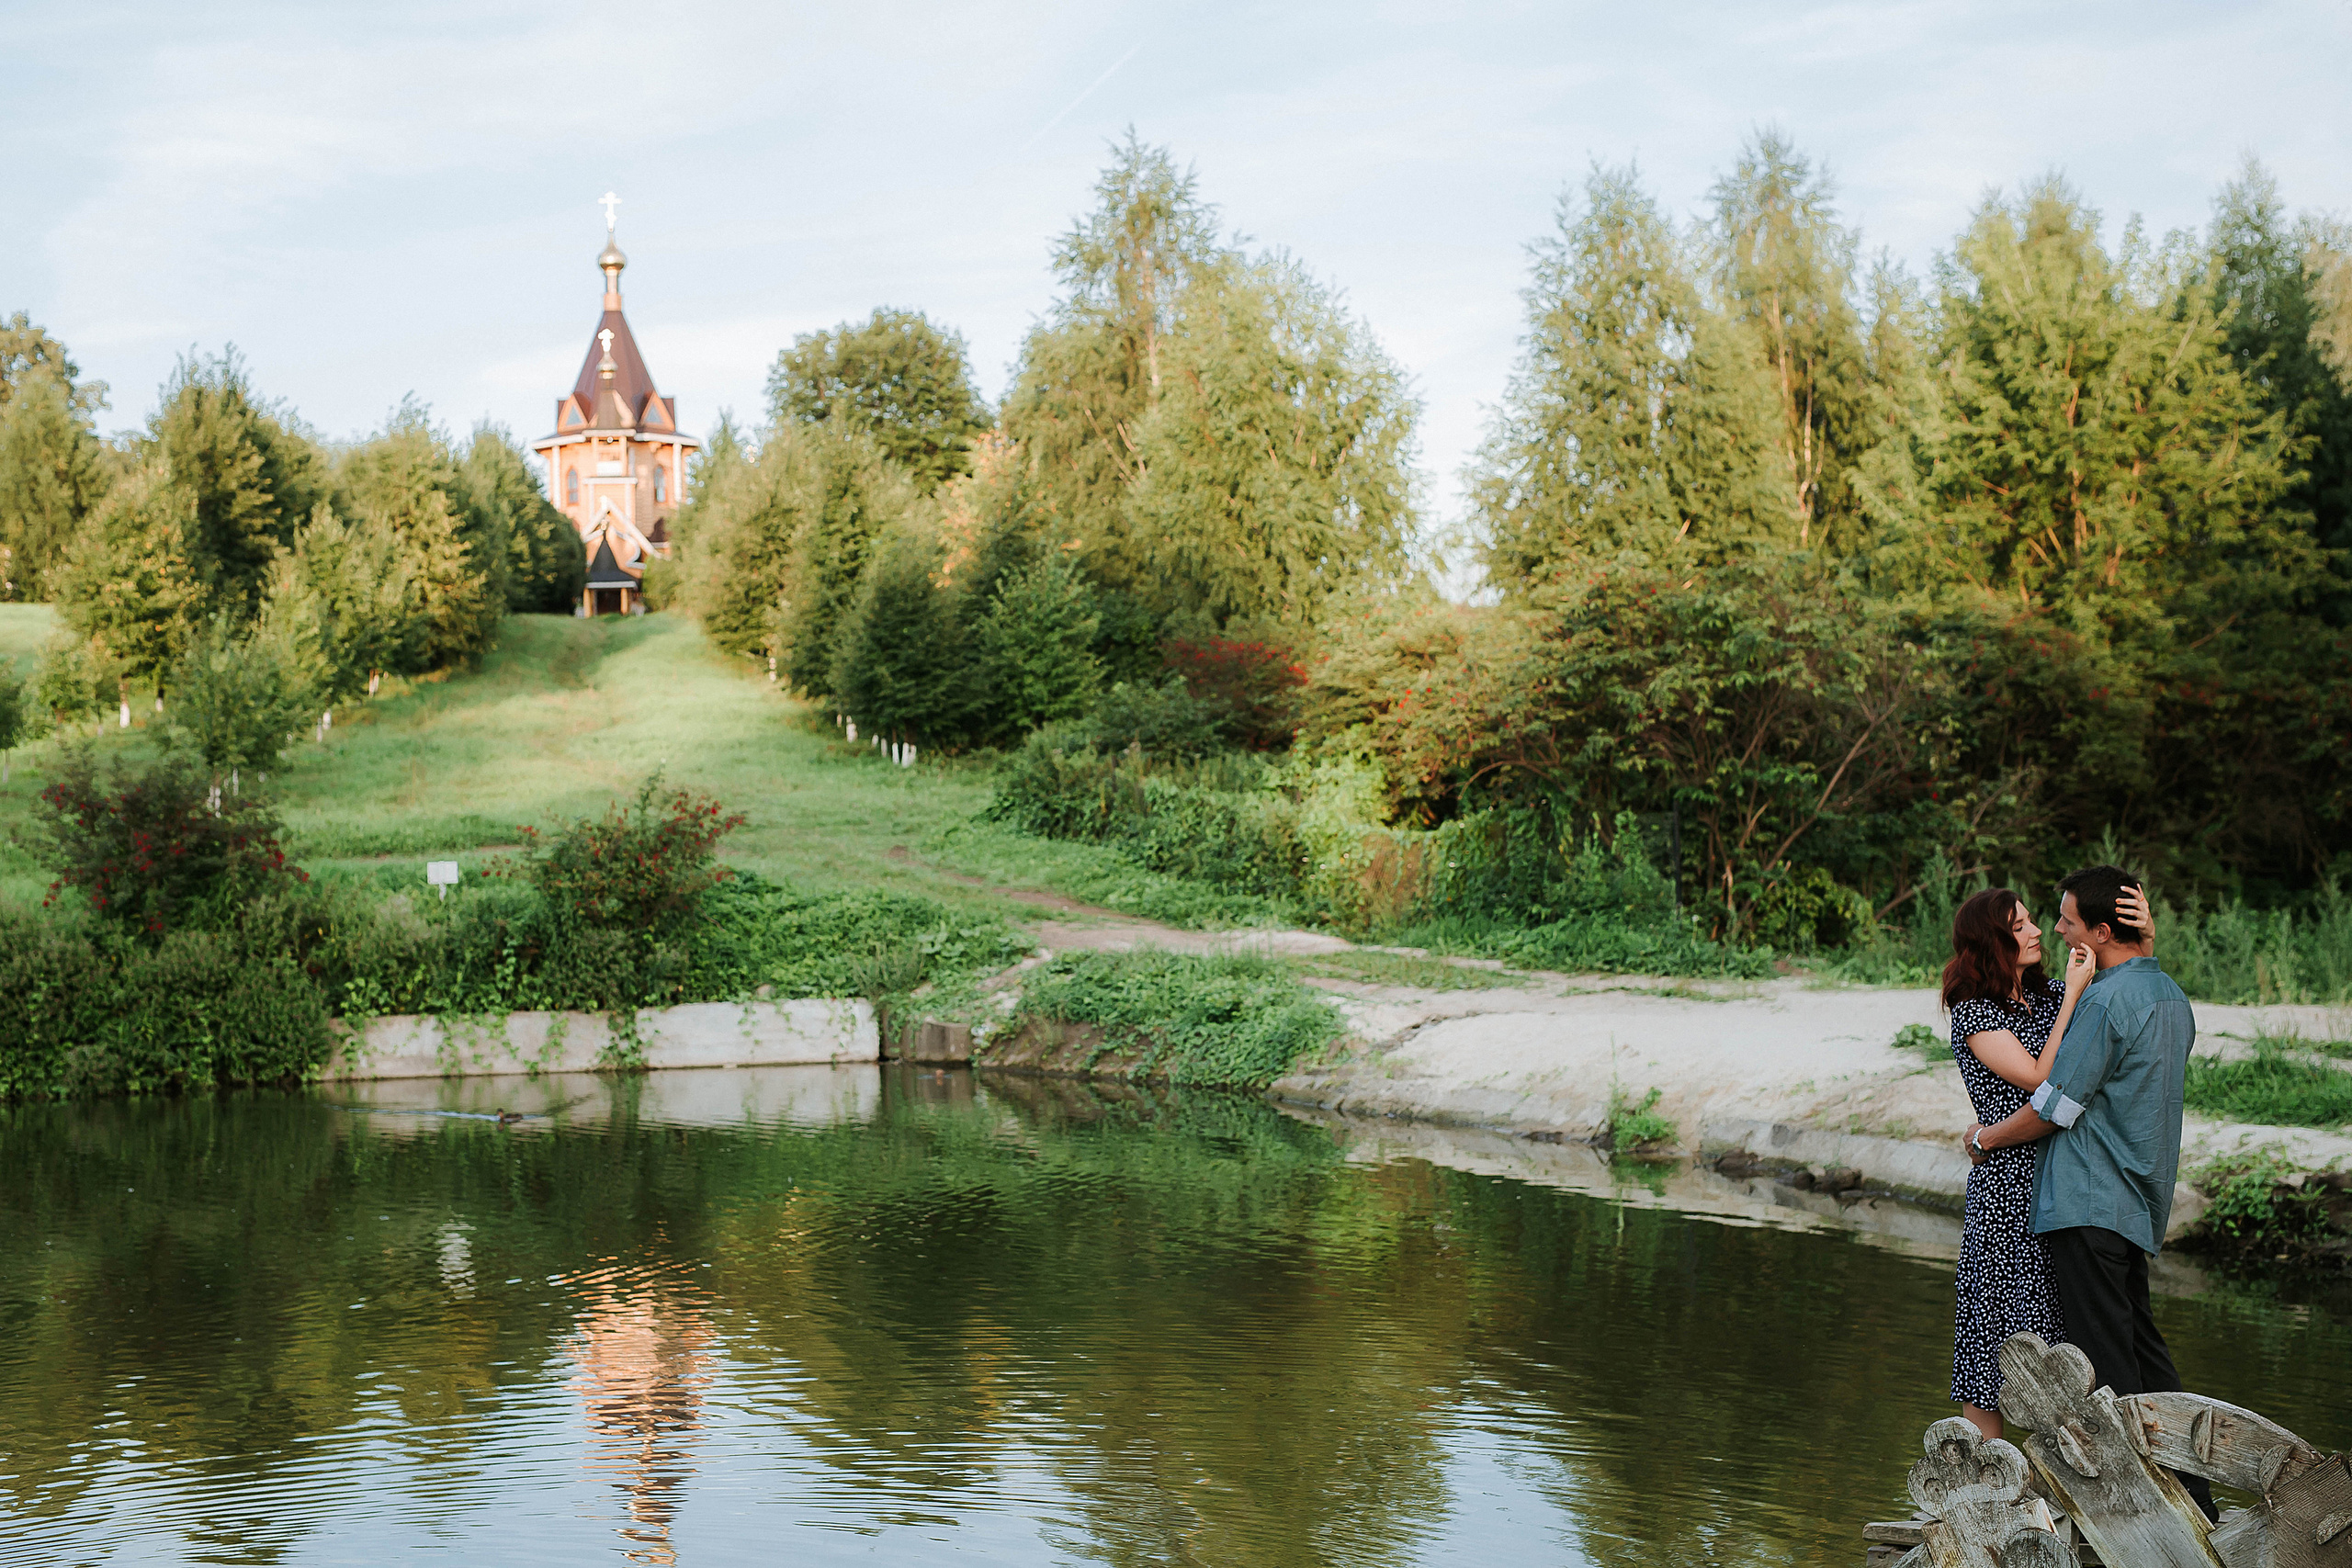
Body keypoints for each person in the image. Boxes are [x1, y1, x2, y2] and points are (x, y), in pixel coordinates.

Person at [1962, 864, 2215, 1519]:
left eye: (2069, 920)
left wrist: (1986, 1139)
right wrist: (2145, 942)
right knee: (2142, 1352)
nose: (2055, 928)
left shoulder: (2103, 1001)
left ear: (2101, 931)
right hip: (2137, 1202)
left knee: (2105, 1367)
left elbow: (2053, 1104)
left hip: (2089, 1201)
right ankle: (2197, 1496)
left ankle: (2144, 1513)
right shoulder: (2169, 995)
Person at [1939, 885, 2145, 1441]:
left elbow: (2128, 991)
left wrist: (2137, 940)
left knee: (2058, 1334)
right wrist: (2074, 993)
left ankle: (2055, 1489)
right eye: (2021, 926)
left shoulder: (2051, 994)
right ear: (1992, 942)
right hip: (2006, 1190)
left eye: (2034, 921)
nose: (2036, 932)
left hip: (2061, 1179)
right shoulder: (1975, 1011)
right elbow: (2039, 1079)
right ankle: (1983, 1486)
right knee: (1993, 1338)